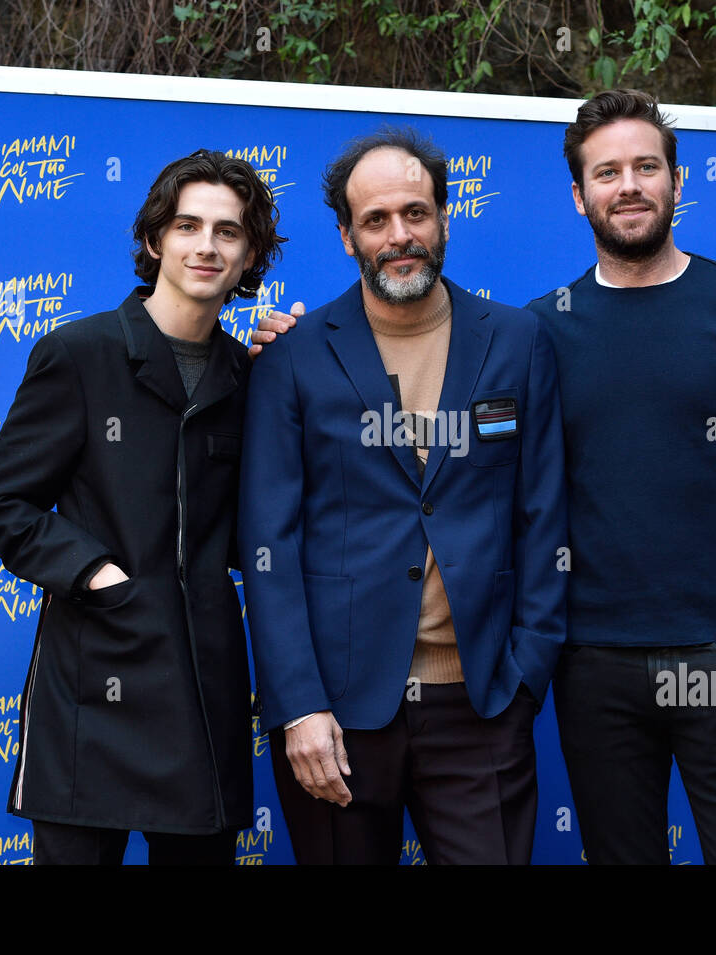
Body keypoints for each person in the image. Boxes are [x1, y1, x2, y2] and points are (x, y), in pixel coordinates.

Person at [252, 91, 716, 865]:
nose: (627, 185)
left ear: (676, 178)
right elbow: (278, 532)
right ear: (579, 193)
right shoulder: (540, 327)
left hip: (714, 663)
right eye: (607, 171)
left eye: (645, 167)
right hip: (587, 671)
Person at [238, 127, 568, 865]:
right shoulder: (291, 357)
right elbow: (270, 544)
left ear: (445, 217)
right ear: (347, 237)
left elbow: (544, 515)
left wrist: (525, 678)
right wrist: (297, 705)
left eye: (416, 213)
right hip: (337, 715)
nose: (400, 235)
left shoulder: (517, 341)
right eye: (377, 220)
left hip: (483, 704)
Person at [0, 149, 285, 865]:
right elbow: (3, 504)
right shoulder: (78, 353)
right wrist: (98, 576)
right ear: (154, 241)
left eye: (228, 232)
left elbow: (251, 532)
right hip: (92, 684)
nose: (206, 245)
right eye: (187, 225)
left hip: (204, 687)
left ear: (249, 256)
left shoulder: (250, 376)